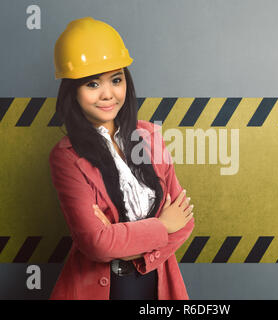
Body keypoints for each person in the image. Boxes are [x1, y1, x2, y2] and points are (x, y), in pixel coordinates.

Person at [49, 17, 195, 300]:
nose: (108, 94)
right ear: (73, 92)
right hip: (102, 288)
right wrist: (162, 226)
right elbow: (97, 244)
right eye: (92, 84)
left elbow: (185, 222)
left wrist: (122, 239)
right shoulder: (65, 157)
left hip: (158, 281)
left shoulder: (150, 135)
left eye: (116, 80)